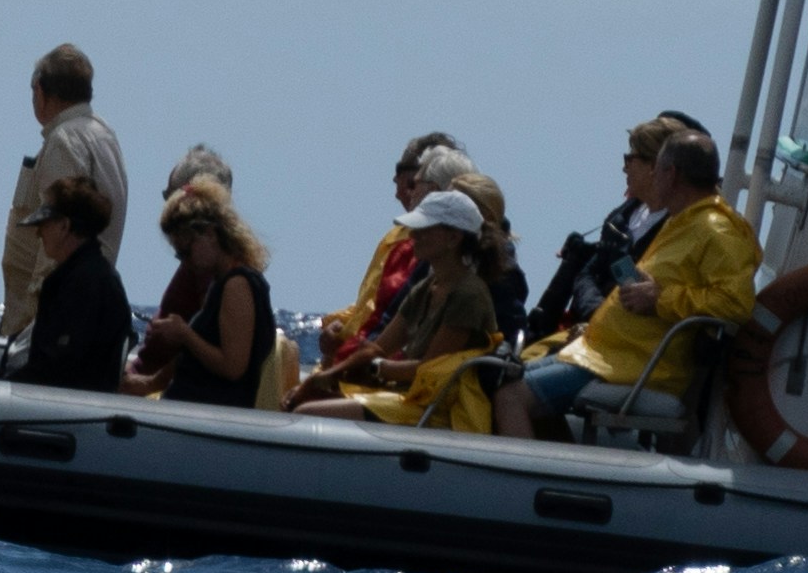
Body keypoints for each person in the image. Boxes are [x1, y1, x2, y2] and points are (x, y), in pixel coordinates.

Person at [507, 119, 758, 442]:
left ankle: (528, 482)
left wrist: (659, 298)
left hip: (634, 366)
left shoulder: (716, 229)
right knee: (503, 380)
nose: (652, 176)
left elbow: (736, 303)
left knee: (510, 395)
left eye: (658, 169)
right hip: (607, 354)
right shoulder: (684, 221)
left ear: (672, 174)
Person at [295, 190, 523, 424]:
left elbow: (427, 370)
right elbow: (378, 347)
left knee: (307, 414)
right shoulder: (427, 287)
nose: (413, 234)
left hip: (438, 411)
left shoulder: (469, 295)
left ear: (453, 238)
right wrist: (324, 377)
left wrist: (377, 368)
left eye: (424, 229)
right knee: (307, 400)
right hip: (409, 398)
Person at [315, 135, 495, 365]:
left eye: (413, 184)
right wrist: (339, 330)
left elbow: (425, 365)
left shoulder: (457, 280)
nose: (403, 193)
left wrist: (357, 365)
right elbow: (377, 315)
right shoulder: (423, 275)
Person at [0, 44, 131, 356]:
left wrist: (36, 321)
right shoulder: (103, 135)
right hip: (75, 306)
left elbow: (60, 235)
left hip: (45, 320)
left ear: (40, 90)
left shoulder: (64, 141)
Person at [132, 173, 280, 408]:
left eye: (186, 252)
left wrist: (184, 334)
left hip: (213, 415)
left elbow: (233, 367)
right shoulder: (220, 283)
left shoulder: (237, 286)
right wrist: (150, 382)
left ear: (210, 234)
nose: (184, 262)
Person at [8, 172, 133, 392]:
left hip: (63, 411)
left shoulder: (86, 284)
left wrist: (1, 384)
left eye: (44, 223)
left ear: (64, 226)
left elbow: (59, 367)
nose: (38, 232)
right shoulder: (89, 277)